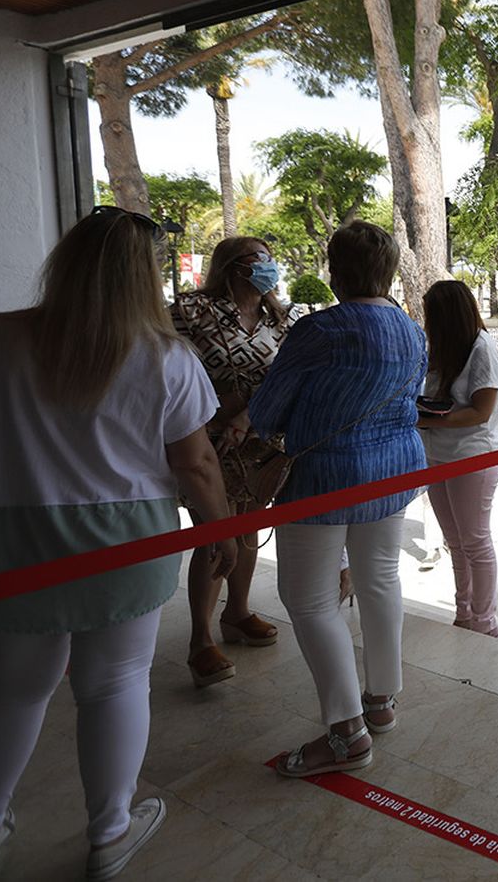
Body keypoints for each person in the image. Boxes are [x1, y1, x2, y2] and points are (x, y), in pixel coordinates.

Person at [0, 207, 235, 879]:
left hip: (13, 541)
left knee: (11, 690)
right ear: (142, 278)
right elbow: (197, 464)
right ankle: (110, 833)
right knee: (115, 683)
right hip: (128, 546)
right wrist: (220, 530)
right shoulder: (166, 357)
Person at [249, 220, 427, 778]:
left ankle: (347, 734)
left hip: (326, 476)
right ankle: (381, 702)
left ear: (335, 271)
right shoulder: (410, 329)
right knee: (380, 580)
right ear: (390, 270)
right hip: (395, 470)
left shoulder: (319, 329)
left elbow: (267, 411)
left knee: (308, 600)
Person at [169, 236, 292, 688]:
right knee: (213, 531)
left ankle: (237, 613)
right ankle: (200, 640)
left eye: (269, 259)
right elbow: (173, 369)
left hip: (260, 441)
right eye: (258, 259)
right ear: (232, 267)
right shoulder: (191, 311)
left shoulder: (281, 318)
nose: (268, 267)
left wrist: (248, 409)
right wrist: (224, 408)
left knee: (247, 525)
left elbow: (288, 377)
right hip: (206, 441)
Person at [417, 279, 498, 637]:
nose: (426, 321)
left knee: (474, 541)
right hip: (437, 452)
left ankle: (484, 622)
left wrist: (426, 418)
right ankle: (463, 612)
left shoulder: (482, 349)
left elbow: (481, 412)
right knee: (455, 541)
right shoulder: (442, 348)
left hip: (472, 455)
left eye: (431, 314)